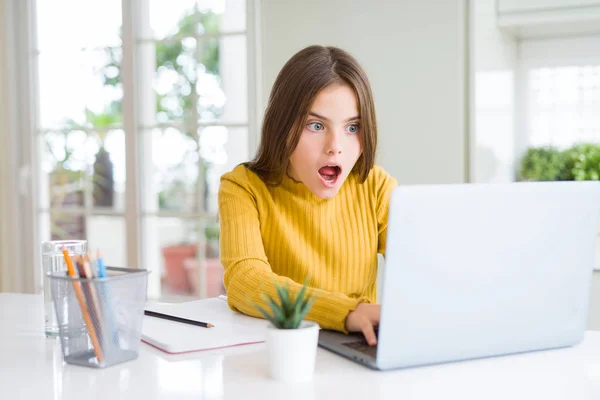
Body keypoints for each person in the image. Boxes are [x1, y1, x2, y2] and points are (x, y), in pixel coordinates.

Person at [218, 45, 397, 346]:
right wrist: (346, 312)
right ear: (282, 126)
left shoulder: (376, 187)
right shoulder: (243, 187)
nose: (335, 146)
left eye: (353, 127)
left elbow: (424, 273)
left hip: (359, 353)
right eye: (316, 125)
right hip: (275, 356)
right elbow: (245, 281)